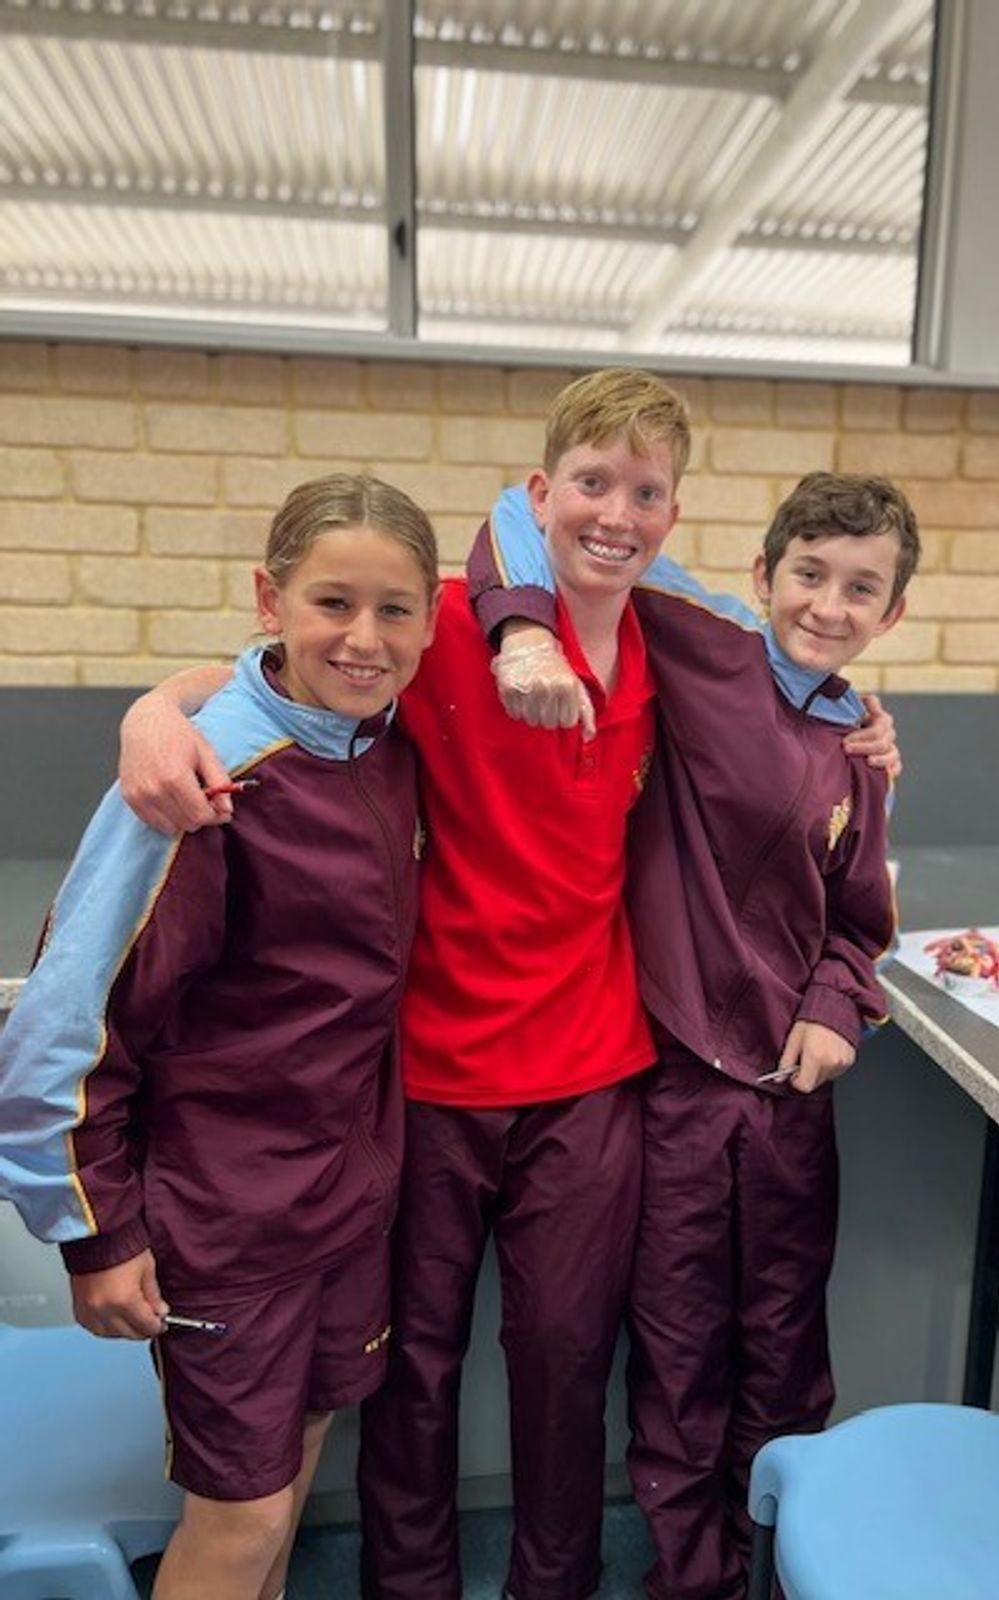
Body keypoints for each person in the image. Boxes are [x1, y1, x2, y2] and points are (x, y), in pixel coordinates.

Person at [113, 370, 898, 1600]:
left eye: (646, 493)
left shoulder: (679, 642)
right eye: (590, 484)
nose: (616, 514)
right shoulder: (432, 624)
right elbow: (276, 671)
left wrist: (866, 720)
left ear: (673, 515)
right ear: (539, 494)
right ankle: (409, 1584)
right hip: (428, 1073)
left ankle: (554, 1583)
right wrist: (153, 713)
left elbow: (804, 682)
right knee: (413, 1369)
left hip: (593, 1074)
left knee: (565, 1363)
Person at [470, 469, 918, 1600]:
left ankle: (775, 1572)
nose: (828, 605)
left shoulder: (859, 749)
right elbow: (525, 516)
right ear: (762, 575)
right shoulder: (699, 642)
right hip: (674, 1089)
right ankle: (693, 1579)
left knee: (786, 1356)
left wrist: (835, 1006)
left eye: (861, 588)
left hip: (790, 1104)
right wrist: (524, 632)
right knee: (676, 1360)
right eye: (809, 574)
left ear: (893, 612)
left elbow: (860, 923)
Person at [0, 473, 439, 1600]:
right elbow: (62, 1024)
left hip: (345, 1198)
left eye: (395, 609)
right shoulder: (199, 782)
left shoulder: (386, 746)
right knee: (240, 1518)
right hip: (226, 1216)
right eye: (332, 602)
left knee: (298, 1455)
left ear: (432, 621)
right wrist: (92, 1235)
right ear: (269, 598)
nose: (364, 637)